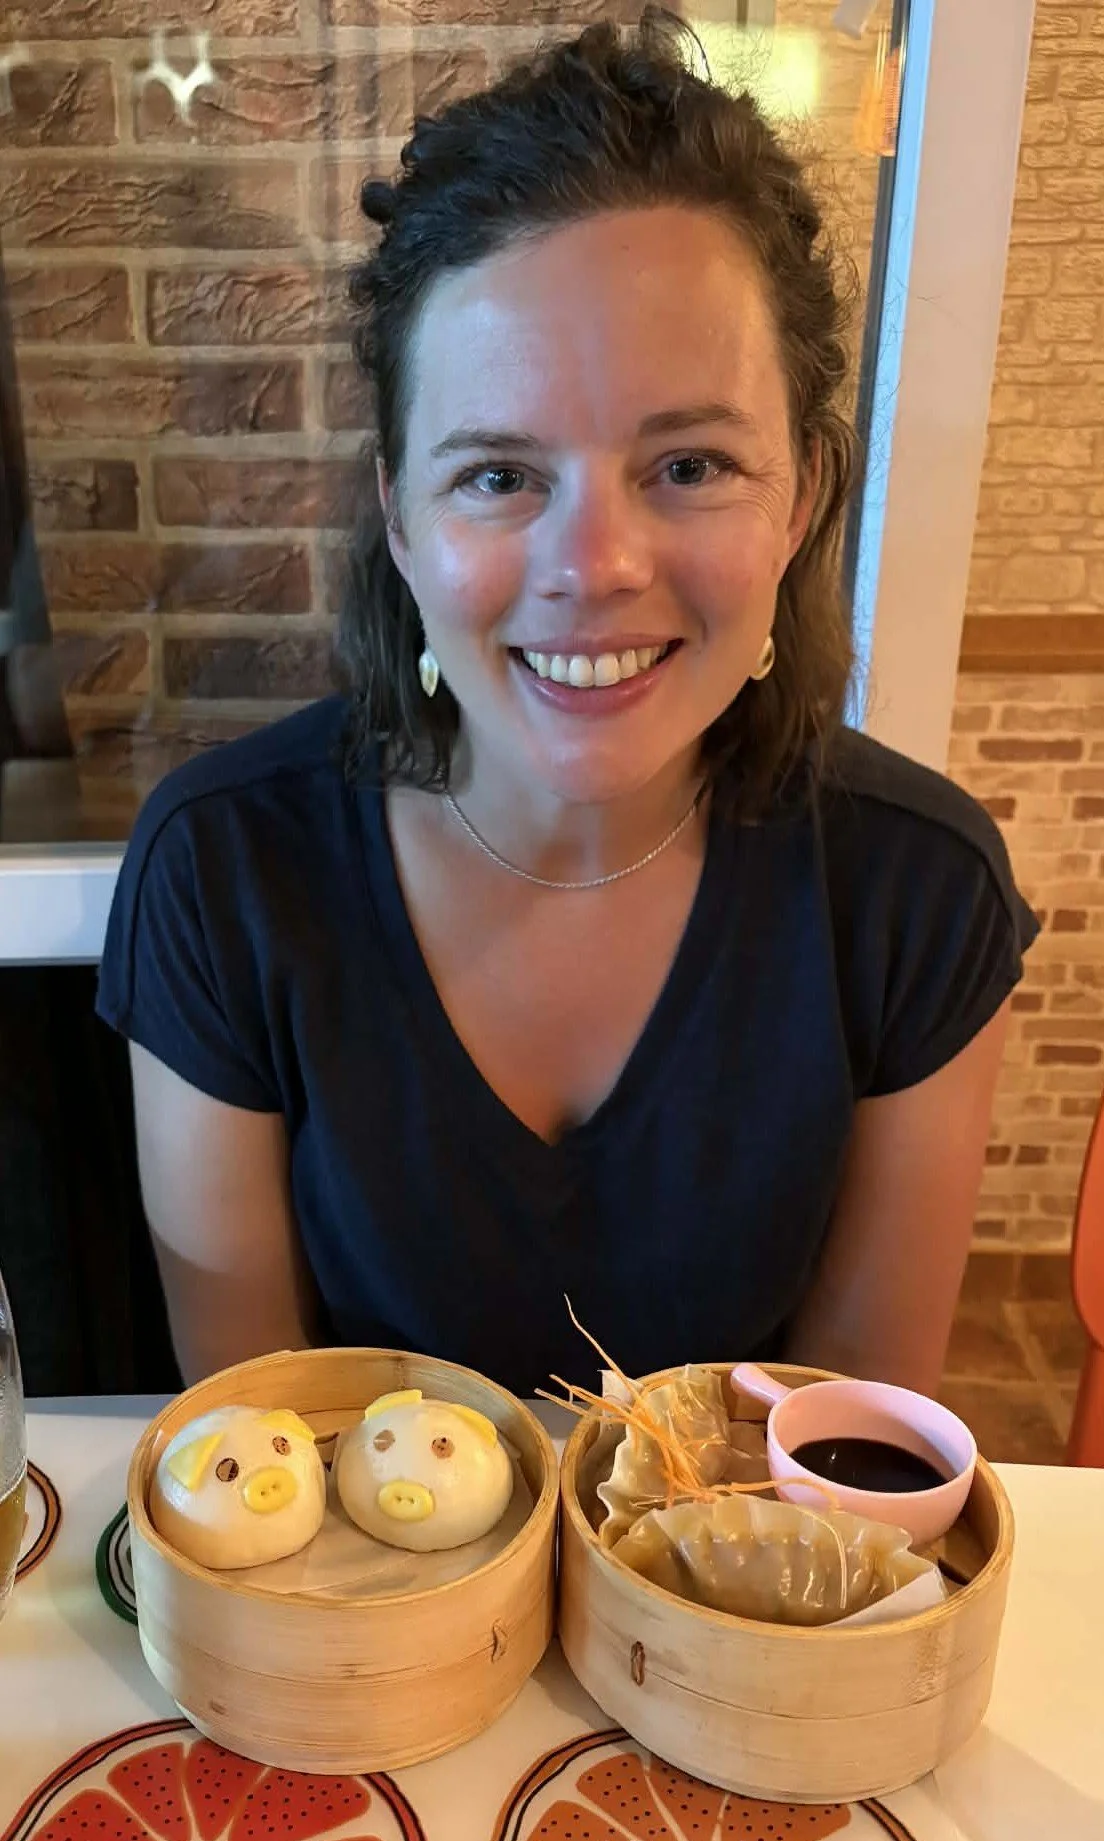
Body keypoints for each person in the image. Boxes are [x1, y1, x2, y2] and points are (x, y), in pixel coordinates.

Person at [97, 13, 1036, 1399]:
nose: (595, 566)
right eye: (497, 475)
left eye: (692, 465)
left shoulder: (915, 896)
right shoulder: (222, 876)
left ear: (806, 501)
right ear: (400, 524)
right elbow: (255, 1454)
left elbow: (839, 1461)